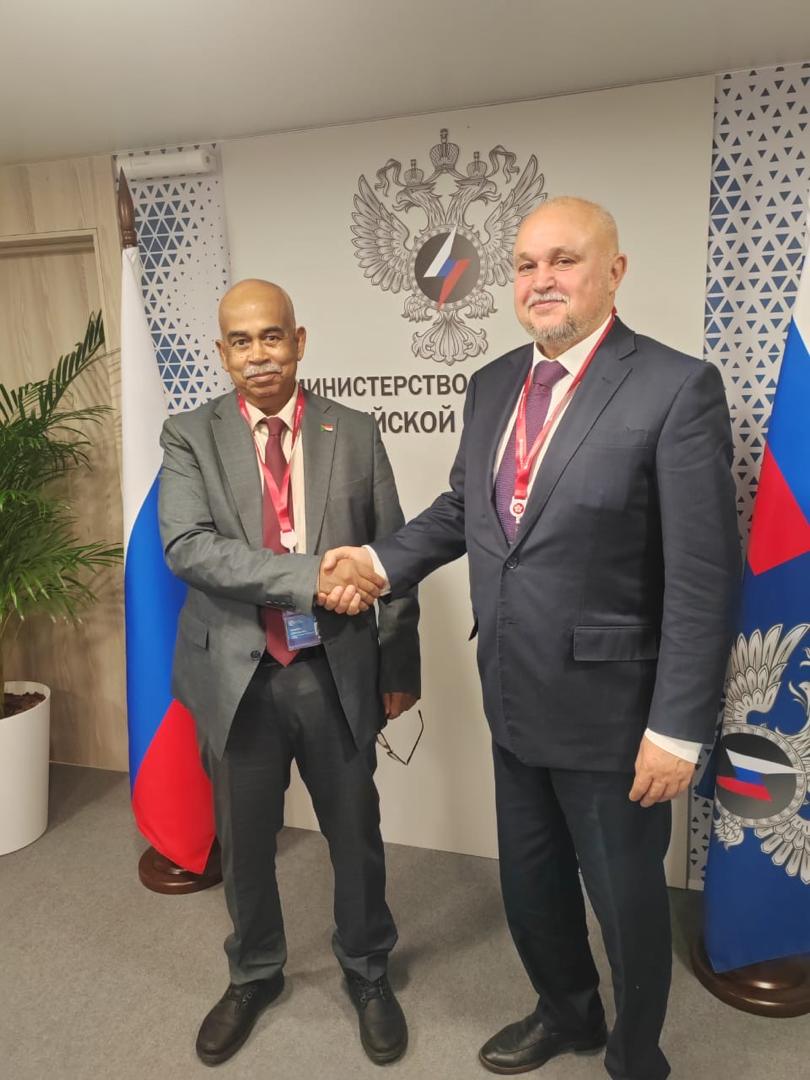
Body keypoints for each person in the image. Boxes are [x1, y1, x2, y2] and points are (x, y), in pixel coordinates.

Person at [321, 198, 740, 1080]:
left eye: (564, 260)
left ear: (614, 272)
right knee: (531, 885)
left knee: (625, 904)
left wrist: (677, 729)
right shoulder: (493, 383)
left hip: (616, 718)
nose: (541, 280)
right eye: (525, 264)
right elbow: (463, 510)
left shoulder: (675, 387)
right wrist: (378, 562)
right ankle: (568, 1012)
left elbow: (704, 579)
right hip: (511, 694)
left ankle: (635, 1057)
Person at [158, 279, 420, 1067]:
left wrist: (399, 661)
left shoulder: (355, 431)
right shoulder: (190, 435)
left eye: (271, 336)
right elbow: (190, 548)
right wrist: (311, 577)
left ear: (298, 341)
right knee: (244, 840)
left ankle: (367, 970)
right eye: (240, 341)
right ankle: (255, 972)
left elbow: (393, 554)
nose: (258, 355)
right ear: (222, 352)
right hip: (237, 677)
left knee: (356, 834)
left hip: (335, 669)